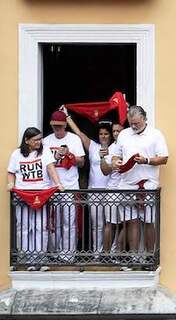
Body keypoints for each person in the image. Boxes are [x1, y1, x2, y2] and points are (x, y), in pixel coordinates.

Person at [111, 106, 168, 255]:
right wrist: (116, 161)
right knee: (131, 222)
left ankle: (149, 256)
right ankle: (134, 257)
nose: (134, 126)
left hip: (147, 185)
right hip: (127, 184)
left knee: (149, 222)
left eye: (136, 123)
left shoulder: (155, 135)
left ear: (144, 118)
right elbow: (115, 155)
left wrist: (146, 160)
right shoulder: (124, 134)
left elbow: (164, 158)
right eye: (131, 123)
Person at [7, 127, 64, 265]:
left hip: (42, 194)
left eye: (40, 139)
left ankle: (40, 257)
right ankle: (27, 257)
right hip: (23, 195)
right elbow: (11, 172)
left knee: (41, 226)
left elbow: (51, 168)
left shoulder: (45, 152)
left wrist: (58, 184)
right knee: (24, 227)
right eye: (36, 140)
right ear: (27, 140)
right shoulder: (16, 154)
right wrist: (10, 183)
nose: (39, 142)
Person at [64, 112, 116, 253]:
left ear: (111, 135)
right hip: (94, 191)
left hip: (112, 190)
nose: (103, 136)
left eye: (106, 134)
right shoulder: (93, 146)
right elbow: (80, 134)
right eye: (101, 134)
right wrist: (68, 118)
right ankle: (97, 253)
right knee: (97, 225)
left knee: (112, 224)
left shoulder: (116, 148)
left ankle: (112, 252)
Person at [42, 109, 86, 260]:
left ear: (65, 125)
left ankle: (68, 254)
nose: (57, 129)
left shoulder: (74, 139)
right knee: (54, 222)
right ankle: (54, 253)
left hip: (70, 186)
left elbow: (82, 162)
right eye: (54, 126)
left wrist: (69, 155)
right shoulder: (46, 141)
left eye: (60, 126)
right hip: (52, 187)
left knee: (69, 222)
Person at [99, 122, 125, 256]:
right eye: (114, 131)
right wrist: (105, 160)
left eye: (118, 131)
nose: (115, 134)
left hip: (127, 189)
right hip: (113, 190)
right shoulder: (111, 148)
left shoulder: (129, 144)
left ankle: (118, 254)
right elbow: (104, 171)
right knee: (110, 224)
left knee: (128, 223)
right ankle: (106, 254)